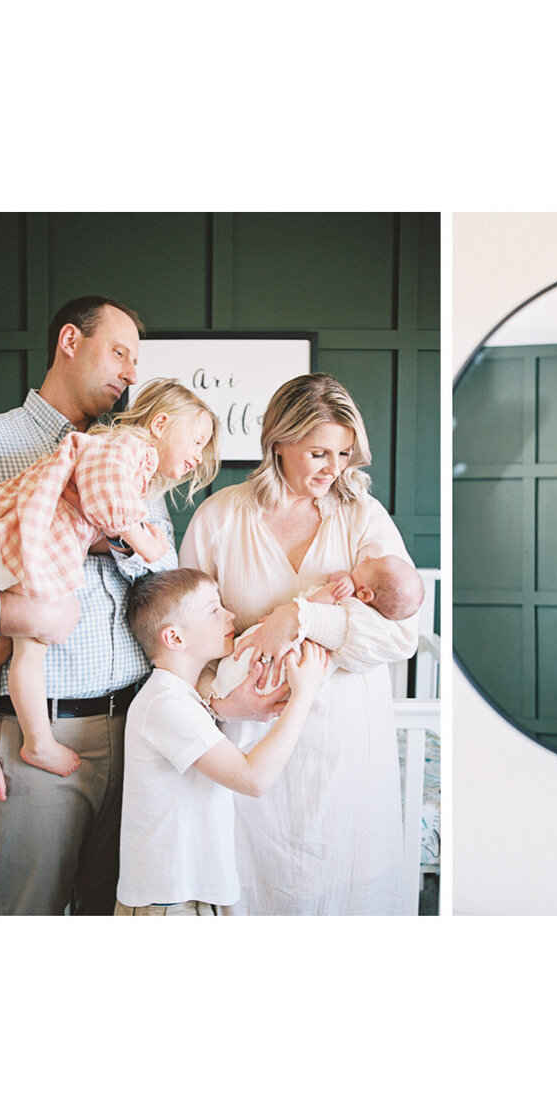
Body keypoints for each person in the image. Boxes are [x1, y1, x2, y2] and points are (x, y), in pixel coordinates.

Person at [0, 295, 197, 916]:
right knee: (29, 913)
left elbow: (163, 571)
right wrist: (15, 616)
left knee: (116, 913)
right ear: (70, 340)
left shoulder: (130, 456)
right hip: (38, 733)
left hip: (138, 729)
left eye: (135, 360)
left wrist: (116, 538)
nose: (129, 372)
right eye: (118, 352)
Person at [179, 373, 420, 915]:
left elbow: (401, 634)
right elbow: (184, 641)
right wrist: (219, 699)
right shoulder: (219, 519)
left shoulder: (362, 518)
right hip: (248, 736)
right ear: (278, 442)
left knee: (341, 886)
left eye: (343, 453)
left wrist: (301, 617)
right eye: (318, 452)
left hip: (343, 740)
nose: (334, 469)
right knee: (251, 885)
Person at [0, 379, 219, 792]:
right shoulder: (129, 449)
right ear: (161, 423)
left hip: (14, 543)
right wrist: (143, 539)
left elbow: (155, 564)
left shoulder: (129, 463)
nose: (197, 457)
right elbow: (107, 501)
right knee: (33, 643)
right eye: (197, 442)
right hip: (35, 546)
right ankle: (38, 742)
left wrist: (126, 540)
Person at [115, 569, 331, 916]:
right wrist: (304, 693)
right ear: (174, 637)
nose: (229, 614)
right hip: (170, 901)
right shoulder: (167, 704)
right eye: (213, 610)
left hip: (188, 892)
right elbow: (253, 779)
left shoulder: (180, 698)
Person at [209, 553, 424, 700]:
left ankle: (227, 689)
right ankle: (223, 692)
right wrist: (347, 580)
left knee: (259, 663)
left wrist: (297, 613)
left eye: (369, 563)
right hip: (289, 658)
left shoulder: (355, 609)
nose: (366, 557)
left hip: (297, 657)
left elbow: (308, 608)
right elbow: (337, 576)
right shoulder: (349, 591)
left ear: (366, 594)